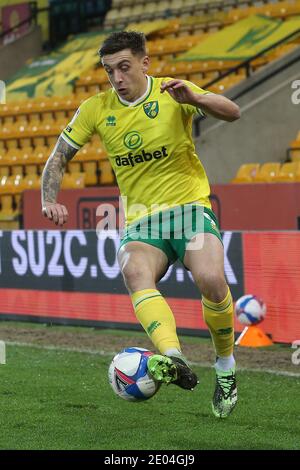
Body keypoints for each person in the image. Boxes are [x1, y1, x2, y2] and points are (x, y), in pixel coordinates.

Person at [41, 31, 240, 418]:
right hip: (142, 219)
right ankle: (172, 356)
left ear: (145, 63)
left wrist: (197, 99)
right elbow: (59, 155)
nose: (116, 78)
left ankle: (226, 369)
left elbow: (233, 112)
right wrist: (49, 198)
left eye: (124, 67)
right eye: (109, 70)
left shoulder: (172, 91)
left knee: (212, 280)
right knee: (134, 269)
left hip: (189, 209)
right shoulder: (96, 108)